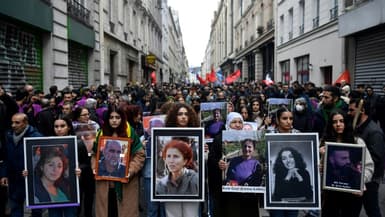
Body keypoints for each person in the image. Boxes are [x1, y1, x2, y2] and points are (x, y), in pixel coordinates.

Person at [92, 105, 145, 217]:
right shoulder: (101, 133)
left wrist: (130, 170)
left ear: (123, 118)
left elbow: (140, 155)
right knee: (107, 211)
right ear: (107, 119)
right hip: (105, 183)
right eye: (111, 117)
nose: (114, 120)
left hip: (126, 184)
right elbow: (94, 155)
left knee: (124, 212)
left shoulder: (130, 132)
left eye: (117, 117)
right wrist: (94, 167)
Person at [321, 109, 374, 217]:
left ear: (346, 123)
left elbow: (369, 167)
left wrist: (360, 182)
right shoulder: (324, 143)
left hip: (352, 195)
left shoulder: (357, 142)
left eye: (341, 121)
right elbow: (318, 170)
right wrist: (320, 161)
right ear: (331, 124)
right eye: (335, 122)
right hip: (331, 195)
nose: (338, 124)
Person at [348, 98, 385, 217]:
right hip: (357, 176)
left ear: (362, 110)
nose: (349, 113)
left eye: (351, 110)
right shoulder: (357, 126)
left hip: (370, 180)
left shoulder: (374, 132)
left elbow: (375, 158)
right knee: (353, 208)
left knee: (372, 209)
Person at [0, 113, 42, 217]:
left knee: (36, 208)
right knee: (15, 206)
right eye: (12, 122)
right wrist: (4, 174)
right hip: (14, 178)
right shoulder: (8, 135)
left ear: (25, 123)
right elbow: (5, 157)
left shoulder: (36, 137)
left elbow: (43, 159)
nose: (13, 125)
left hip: (32, 179)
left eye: (17, 123)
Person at [163, 103, 200, 217]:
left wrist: (203, 151)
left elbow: (200, 163)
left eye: (186, 114)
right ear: (174, 116)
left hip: (191, 183)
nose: (183, 117)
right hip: (172, 183)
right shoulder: (165, 135)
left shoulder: (197, 135)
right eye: (180, 114)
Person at [267, 107, 301, 217]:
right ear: (277, 120)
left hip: (294, 189)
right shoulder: (269, 134)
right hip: (276, 184)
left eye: (291, 118)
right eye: (284, 118)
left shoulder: (299, 134)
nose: (288, 121)